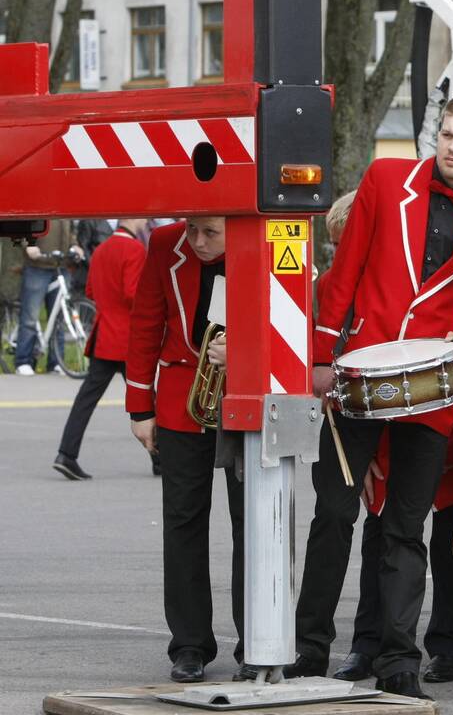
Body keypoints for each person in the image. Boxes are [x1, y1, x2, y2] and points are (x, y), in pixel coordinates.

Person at [290, 93, 453, 700]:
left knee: (405, 528)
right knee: (334, 516)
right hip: (358, 374)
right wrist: (319, 355)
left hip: (433, 388)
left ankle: (397, 660)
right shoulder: (388, 179)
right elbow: (347, 267)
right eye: (447, 133)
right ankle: (307, 650)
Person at [126, 216, 247, 683]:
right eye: (192, 229)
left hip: (245, 399)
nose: (196, 241)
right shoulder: (163, 243)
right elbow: (145, 323)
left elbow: (290, 317)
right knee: (182, 525)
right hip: (181, 398)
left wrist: (247, 348)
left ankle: (257, 642)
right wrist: (140, 406)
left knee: (252, 524)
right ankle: (190, 645)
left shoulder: (260, 239)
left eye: (210, 233)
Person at [54, 219, 151, 481]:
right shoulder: (135, 250)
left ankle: (66, 453)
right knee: (148, 399)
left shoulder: (101, 250)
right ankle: (161, 458)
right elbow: (133, 293)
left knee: (86, 400)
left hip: (103, 336)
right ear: (132, 219)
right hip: (128, 338)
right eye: (143, 218)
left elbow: (91, 291)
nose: (146, 222)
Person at [14, 220, 81, 376]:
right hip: (37, 266)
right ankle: (23, 361)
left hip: (60, 265)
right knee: (30, 317)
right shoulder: (36, 199)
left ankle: (56, 362)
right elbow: (20, 225)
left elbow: (70, 230)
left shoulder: (63, 204)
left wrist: (75, 244)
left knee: (58, 317)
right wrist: (27, 244)